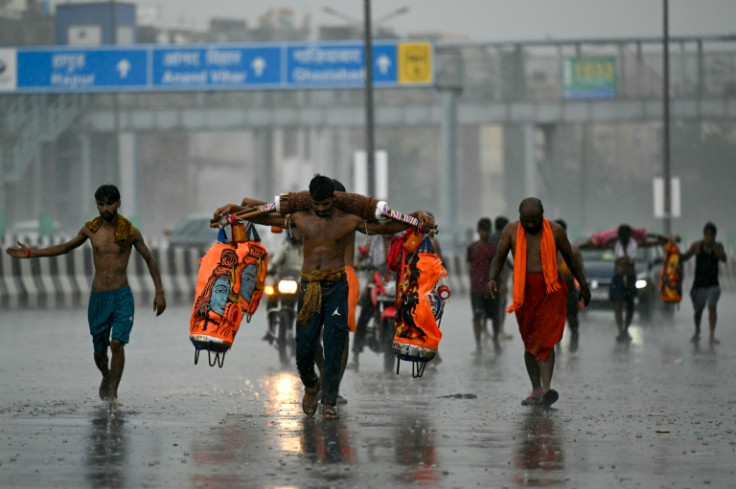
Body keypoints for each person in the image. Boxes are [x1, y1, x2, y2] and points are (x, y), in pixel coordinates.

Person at [213, 174, 433, 419]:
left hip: (337, 284)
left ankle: (329, 401)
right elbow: (267, 216)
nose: (321, 210)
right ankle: (310, 385)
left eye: (326, 205)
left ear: (334, 200)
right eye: (316, 205)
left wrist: (414, 218)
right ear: (311, 201)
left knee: (335, 341)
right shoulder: (299, 217)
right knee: (304, 345)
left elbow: (386, 226)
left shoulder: (349, 220)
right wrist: (238, 211)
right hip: (309, 286)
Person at [5, 184, 166, 405]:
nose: (106, 208)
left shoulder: (129, 231)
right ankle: (106, 375)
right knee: (100, 352)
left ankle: (113, 395)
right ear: (97, 205)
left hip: (122, 296)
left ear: (118, 203)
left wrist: (159, 292)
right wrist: (32, 253)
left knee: (118, 343)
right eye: (101, 204)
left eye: (110, 203)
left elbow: (149, 259)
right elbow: (65, 247)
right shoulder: (91, 229)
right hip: (98, 298)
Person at [486, 198, 590, 407]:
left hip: (550, 289)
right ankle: (536, 389)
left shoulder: (555, 230)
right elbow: (499, 256)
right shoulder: (511, 231)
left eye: (535, 220)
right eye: (527, 221)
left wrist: (584, 286)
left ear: (542, 215)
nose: (532, 225)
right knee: (530, 342)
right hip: (524, 291)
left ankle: (547, 388)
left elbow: (571, 259)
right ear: (520, 217)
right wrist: (492, 279)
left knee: (546, 340)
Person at [681, 222, 727, 345]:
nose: (709, 238)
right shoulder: (697, 246)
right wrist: (675, 257)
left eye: (711, 236)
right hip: (699, 285)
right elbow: (685, 256)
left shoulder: (718, 246)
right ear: (704, 235)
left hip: (713, 285)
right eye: (707, 235)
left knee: (712, 308)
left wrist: (714, 249)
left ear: (715, 236)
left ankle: (712, 335)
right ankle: (697, 330)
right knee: (698, 311)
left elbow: (724, 258)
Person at [466, 217, 500, 353]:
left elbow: (499, 266)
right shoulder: (472, 248)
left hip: (491, 287)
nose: (483, 234)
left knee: (495, 317)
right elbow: (470, 266)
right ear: (478, 231)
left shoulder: (494, 248)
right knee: (477, 315)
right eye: (481, 231)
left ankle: (495, 339)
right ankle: (478, 343)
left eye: (485, 231)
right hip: (476, 288)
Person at [554, 219, 583, 352]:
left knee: (572, 317)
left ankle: (574, 343)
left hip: (569, 286)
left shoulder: (573, 250)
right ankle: (556, 347)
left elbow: (580, 269)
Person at [492, 215, 513, 341]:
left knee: (492, 306)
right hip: (497, 278)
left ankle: (492, 331)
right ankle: (499, 330)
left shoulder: (494, 238)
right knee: (500, 304)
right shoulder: (499, 241)